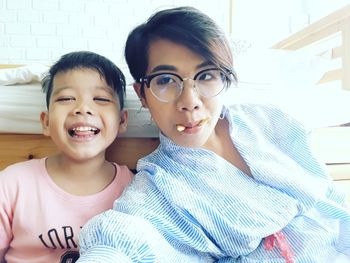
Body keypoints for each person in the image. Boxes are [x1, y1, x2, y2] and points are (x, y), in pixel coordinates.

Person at [77, 7, 350, 263]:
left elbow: (329, 195)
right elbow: (129, 239)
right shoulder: (158, 187)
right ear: (142, 95)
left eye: (206, 75)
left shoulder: (269, 120)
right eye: (165, 80)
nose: (190, 101)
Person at [0, 51, 134, 263]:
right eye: (66, 98)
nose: (83, 108)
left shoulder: (136, 191)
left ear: (122, 121)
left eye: (100, 98)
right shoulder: (11, 184)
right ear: (46, 122)